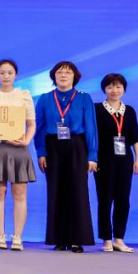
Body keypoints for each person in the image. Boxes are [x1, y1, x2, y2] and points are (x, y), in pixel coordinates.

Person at [34, 60, 97, 253]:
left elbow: (91, 127)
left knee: (78, 192)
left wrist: (92, 155)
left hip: (77, 146)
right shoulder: (45, 98)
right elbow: (39, 128)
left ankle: (77, 239)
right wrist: (41, 152)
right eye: (59, 72)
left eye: (68, 72)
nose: (63, 75)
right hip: (53, 147)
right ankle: (59, 238)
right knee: (55, 191)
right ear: (53, 76)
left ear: (75, 77)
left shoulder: (84, 98)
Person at [0, 59, 37, 251]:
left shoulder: (24, 96)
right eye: (2, 73)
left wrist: (26, 140)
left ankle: (17, 237)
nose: (6, 76)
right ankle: (0, 237)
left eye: (10, 72)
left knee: (19, 194)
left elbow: (31, 124)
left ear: (16, 75)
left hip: (19, 148)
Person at [93, 73, 138, 253]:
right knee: (105, 199)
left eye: (118, 86)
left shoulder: (130, 111)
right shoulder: (97, 109)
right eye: (110, 87)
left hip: (125, 160)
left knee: (123, 199)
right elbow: (92, 136)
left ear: (124, 89)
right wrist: (92, 158)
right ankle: (106, 239)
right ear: (104, 89)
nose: (114, 90)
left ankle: (119, 239)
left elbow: (135, 137)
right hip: (104, 160)